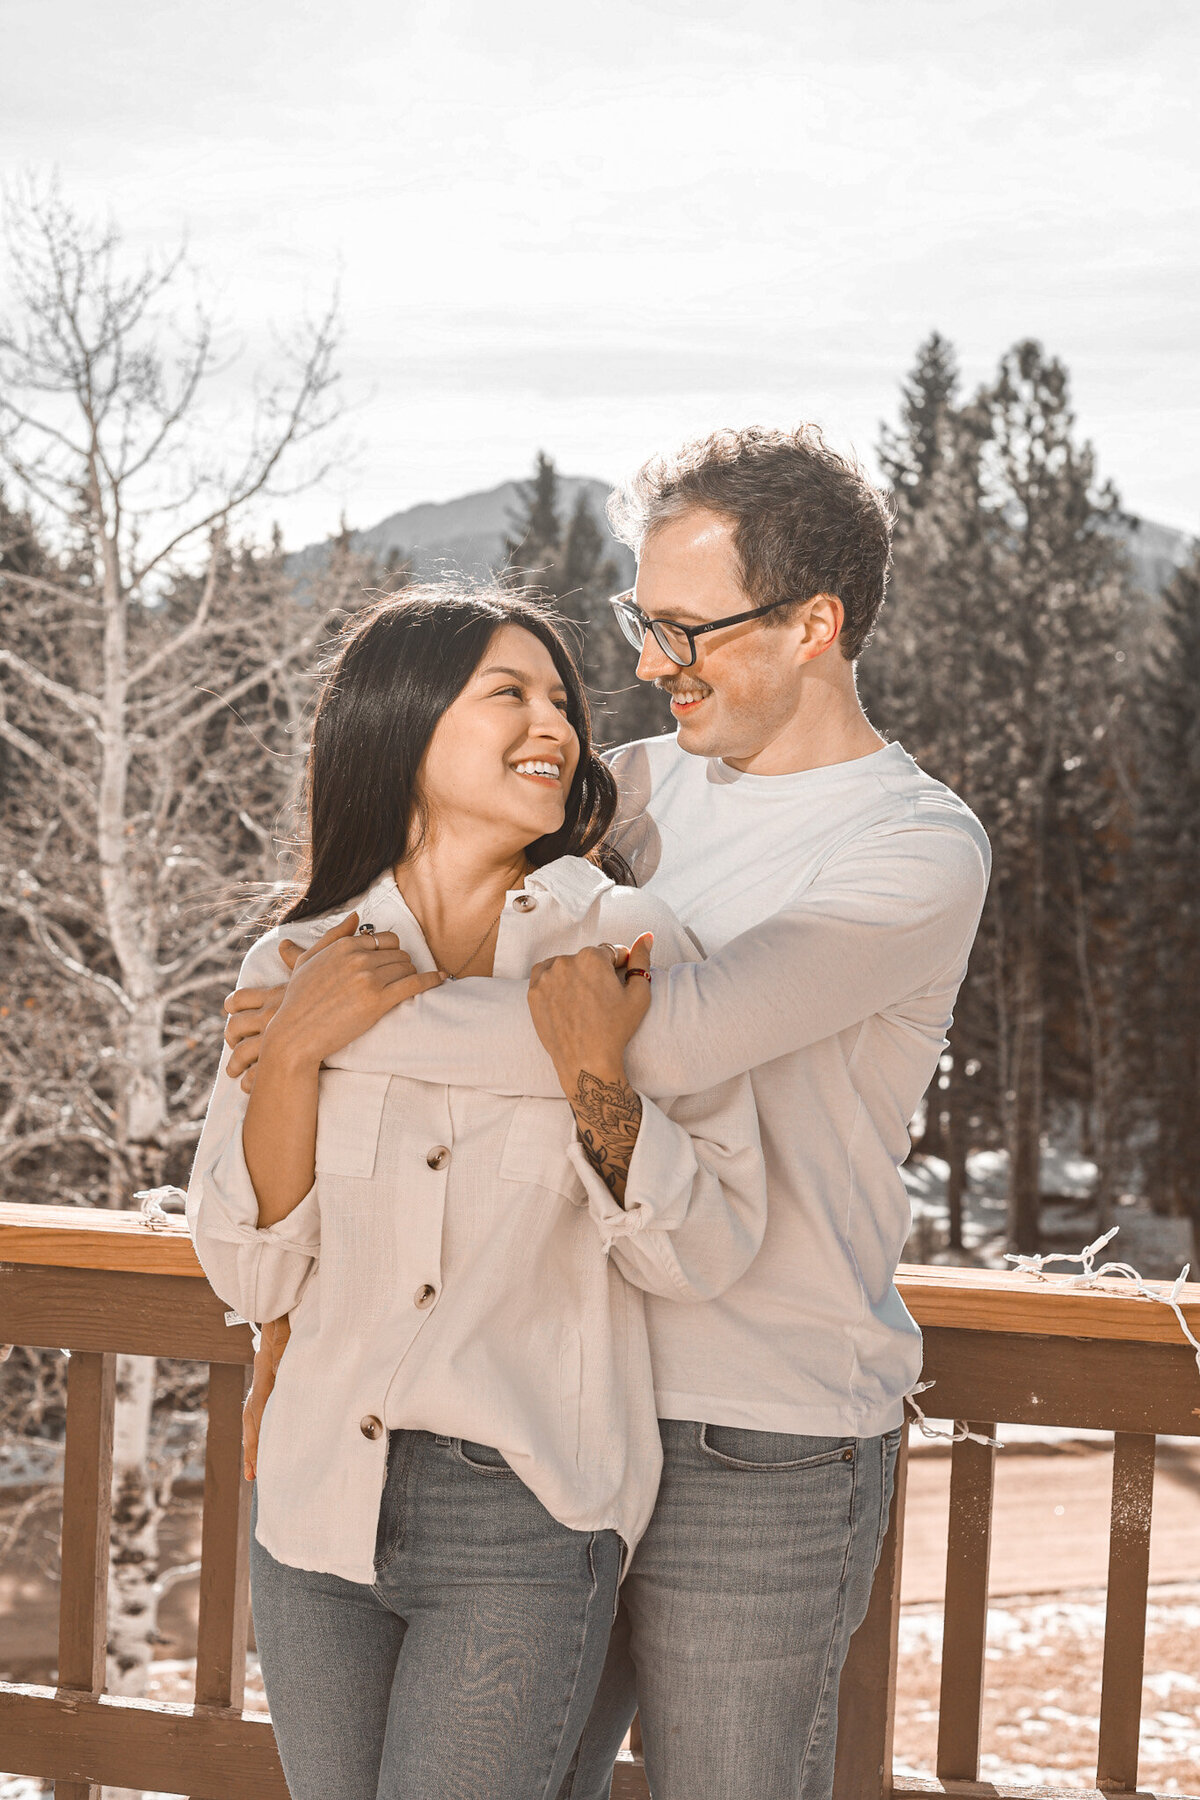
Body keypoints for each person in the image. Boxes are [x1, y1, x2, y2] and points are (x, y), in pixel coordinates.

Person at [226, 426, 992, 1800]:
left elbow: (664, 1037)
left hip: (760, 1421)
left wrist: (326, 1032)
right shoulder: (627, 793)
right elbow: (460, 902)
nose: (650, 665)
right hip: (551, 1415)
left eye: (690, 630)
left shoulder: (914, 847)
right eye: (647, 624)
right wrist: (302, 1028)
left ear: (817, 624)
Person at [187, 587, 766, 1800]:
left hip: (526, 1514)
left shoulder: (623, 945)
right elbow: (251, 1270)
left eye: (561, 698)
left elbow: (700, 1248)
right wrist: (293, 1055)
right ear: (400, 723)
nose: (553, 720)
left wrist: (594, 1069)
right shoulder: (291, 964)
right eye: (509, 691)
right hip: (311, 1505)